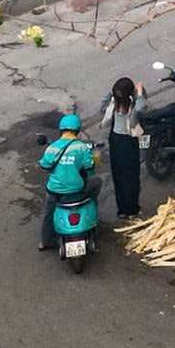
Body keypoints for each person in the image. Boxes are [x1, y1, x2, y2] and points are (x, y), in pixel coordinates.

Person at [39, 112, 99, 248]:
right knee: (97, 182)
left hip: (55, 191)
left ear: (61, 130)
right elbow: (89, 166)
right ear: (77, 131)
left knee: (49, 212)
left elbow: (44, 167)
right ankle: (94, 220)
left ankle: (45, 242)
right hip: (76, 189)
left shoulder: (51, 148)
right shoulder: (81, 147)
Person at [99, 76, 146, 219]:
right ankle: (122, 209)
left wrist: (139, 92)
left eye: (120, 93)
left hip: (129, 141)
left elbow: (141, 107)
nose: (117, 95)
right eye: (116, 93)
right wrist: (110, 94)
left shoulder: (133, 105)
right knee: (118, 175)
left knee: (131, 176)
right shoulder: (114, 102)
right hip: (116, 140)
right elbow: (102, 108)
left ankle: (132, 208)